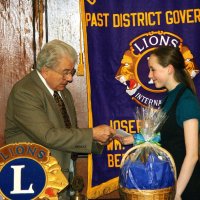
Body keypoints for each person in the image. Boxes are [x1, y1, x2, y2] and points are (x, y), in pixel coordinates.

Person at [4, 39, 115, 199]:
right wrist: (91, 134)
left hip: (61, 178)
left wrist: (96, 142)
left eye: (72, 72)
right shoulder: (26, 92)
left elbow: (67, 134)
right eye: (65, 72)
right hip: (34, 180)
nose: (70, 78)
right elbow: (48, 136)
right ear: (45, 70)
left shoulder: (63, 92)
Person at [122, 46, 200, 200]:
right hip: (170, 182)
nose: (150, 75)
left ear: (169, 69)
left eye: (153, 69)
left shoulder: (186, 100)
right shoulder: (169, 97)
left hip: (186, 187)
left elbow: (192, 155)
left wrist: (177, 192)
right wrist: (135, 138)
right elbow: (164, 137)